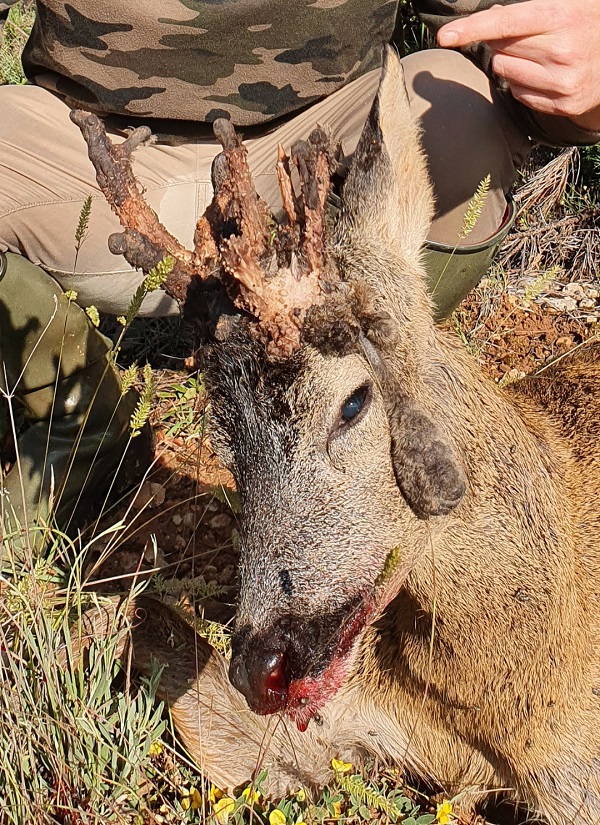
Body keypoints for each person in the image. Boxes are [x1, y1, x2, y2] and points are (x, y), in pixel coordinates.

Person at [0, 0, 599, 551]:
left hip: (327, 135)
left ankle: (384, 391)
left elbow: (523, 26)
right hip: (97, 151)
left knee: (462, 115)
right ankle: (75, 415)